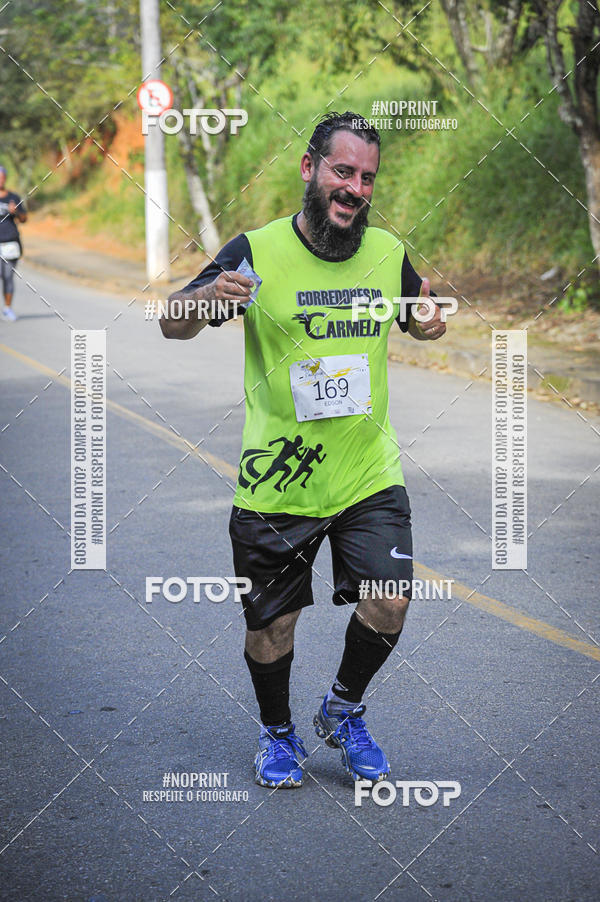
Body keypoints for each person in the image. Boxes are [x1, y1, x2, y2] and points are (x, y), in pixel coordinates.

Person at [161, 111, 447, 788]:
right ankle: (277, 732)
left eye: (367, 178)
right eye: (343, 171)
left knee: (392, 598)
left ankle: (343, 710)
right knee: (272, 626)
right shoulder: (256, 250)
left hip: (366, 473)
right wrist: (207, 298)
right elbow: (172, 322)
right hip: (279, 480)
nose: (355, 189)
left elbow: (419, 313)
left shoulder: (387, 252)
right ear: (309, 168)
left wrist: (429, 321)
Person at [0, 165, 27, 323]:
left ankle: (8, 308)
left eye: (2, 177)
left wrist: (15, 211)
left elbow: (24, 219)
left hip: (10, 242)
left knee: (8, 276)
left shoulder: (14, 198)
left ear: (5, 179)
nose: (0, 180)